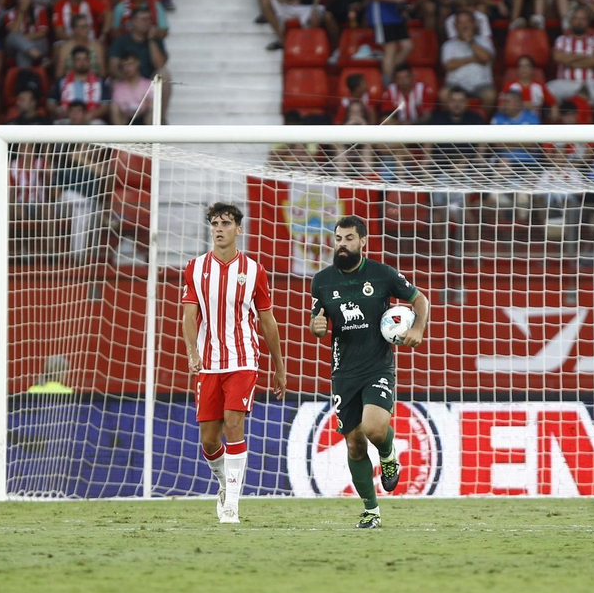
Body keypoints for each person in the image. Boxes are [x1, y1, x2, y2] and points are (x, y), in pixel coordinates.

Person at [308, 214, 429, 528]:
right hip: (343, 371)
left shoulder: (381, 274)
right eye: (338, 239)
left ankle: (388, 454)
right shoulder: (322, 280)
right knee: (354, 443)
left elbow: (420, 299)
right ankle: (371, 510)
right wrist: (317, 326)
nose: (343, 244)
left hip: (378, 366)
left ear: (362, 241)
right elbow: (317, 321)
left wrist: (417, 328)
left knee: (374, 429)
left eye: (349, 239)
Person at [179, 203, 286, 524]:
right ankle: (224, 483)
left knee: (234, 425)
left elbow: (268, 321)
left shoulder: (254, 270)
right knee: (209, 440)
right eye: (214, 223)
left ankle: (233, 506)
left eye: (225, 223)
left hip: (243, 359)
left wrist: (279, 366)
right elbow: (188, 315)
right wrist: (191, 353)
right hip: (208, 363)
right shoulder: (195, 268)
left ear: (239, 229)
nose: (219, 228)